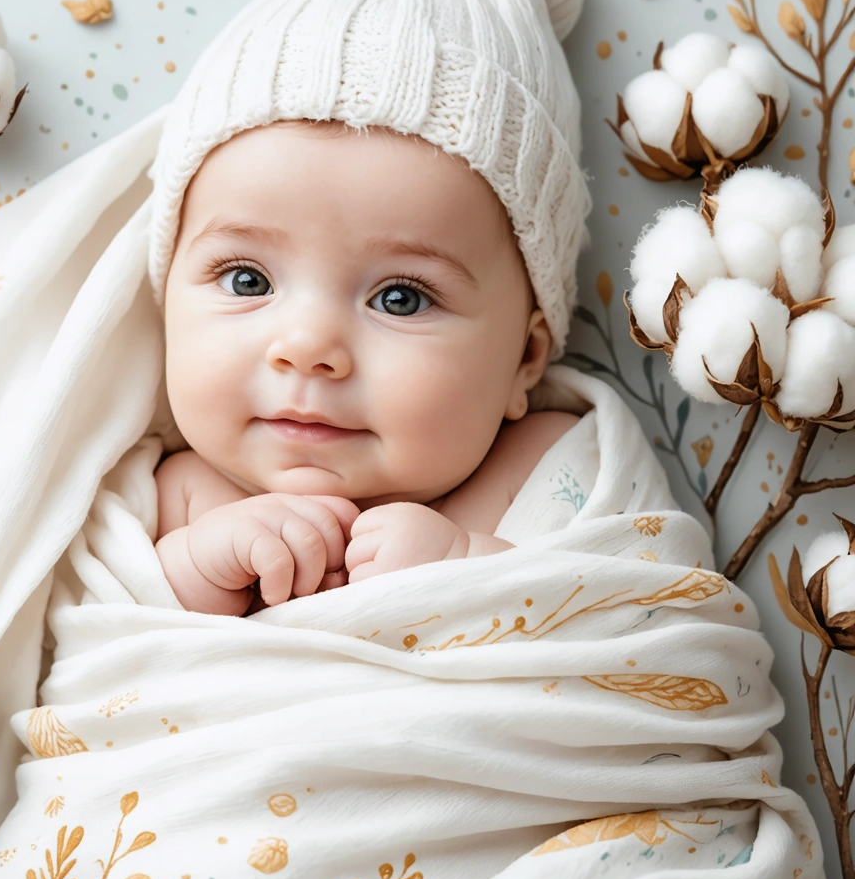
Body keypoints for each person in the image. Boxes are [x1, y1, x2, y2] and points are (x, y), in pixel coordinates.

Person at [153, 117, 580, 615]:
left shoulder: (543, 465)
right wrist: (194, 569)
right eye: (247, 281)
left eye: (401, 299)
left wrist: (465, 568)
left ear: (524, 359)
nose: (307, 347)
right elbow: (112, 640)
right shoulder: (178, 494)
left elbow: (634, 606)